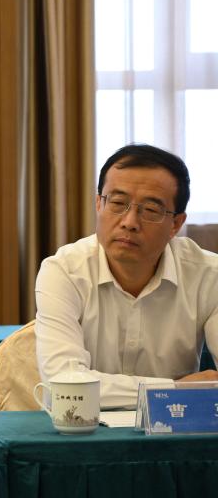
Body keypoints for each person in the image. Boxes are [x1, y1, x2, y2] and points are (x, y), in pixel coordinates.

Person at [35, 144, 218, 409]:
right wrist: (176, 389)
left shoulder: (209, 276)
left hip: (175, 430)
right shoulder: (64, 271)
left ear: (176, 224)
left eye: (151, 210)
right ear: (99, 204)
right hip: (84, 431)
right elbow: (64, 384)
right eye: (118, 203)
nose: (130, 222)